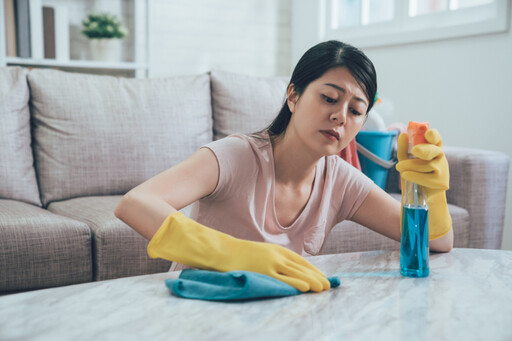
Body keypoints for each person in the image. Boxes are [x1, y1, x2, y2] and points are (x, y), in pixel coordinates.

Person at [114, 40, 453, 293]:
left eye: (355, 110)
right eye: (329, 98)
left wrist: (432, 193)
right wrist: (234, 254)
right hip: (199, 310)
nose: (339, 116)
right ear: (293, 96)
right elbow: (135, 204)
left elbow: (435, 242)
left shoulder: (342, 181)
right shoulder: (237, 156)